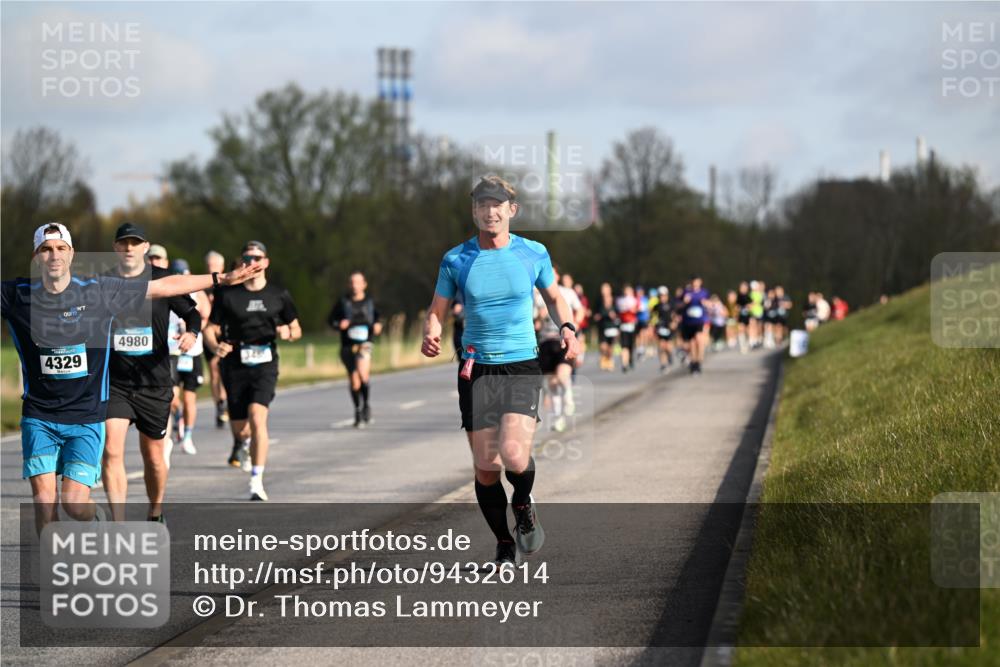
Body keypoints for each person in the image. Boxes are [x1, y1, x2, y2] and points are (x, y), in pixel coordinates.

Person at [1, 223, 262, 534]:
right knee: (44, 500)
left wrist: (220, 279)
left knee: (73, 503)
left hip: (85, 416)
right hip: (39, 415)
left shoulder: (97, 291)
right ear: (36, 256)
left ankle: (97, 517)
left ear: (71, 254)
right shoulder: (16, 295)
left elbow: (164, 286)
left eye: (60, 248)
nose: (53, 255)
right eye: (46, 249)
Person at [420, 176, 580, 566]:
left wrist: (569, 330)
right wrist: (431, 332)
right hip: (476, 368)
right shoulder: (456, 258)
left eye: (497, 204)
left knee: (513, 453)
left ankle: (523, 504)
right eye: (481, 204)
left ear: (512, 209)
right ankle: (504, 542)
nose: (489, 211)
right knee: (487, 468)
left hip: (521, 364)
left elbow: (556, 300)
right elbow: (437, 310)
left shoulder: (533, 253)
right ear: (474, 210)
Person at [102, 224, 202, 522]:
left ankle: (155, 510)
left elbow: (192, 312)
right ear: (116, 247)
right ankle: (117, 523)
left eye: (135, 243)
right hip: (116, 382)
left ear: (146, 247)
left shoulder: (162, 280)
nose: (129, 248)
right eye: (124, 243)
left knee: (155, 459)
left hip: (154, 382)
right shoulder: (103, 281)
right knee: (111, 450)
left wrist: (192, 334)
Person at [204, 241, 301, 501]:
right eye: (248, 257)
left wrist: (287, 332)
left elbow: (296, 328)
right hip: (234, 363)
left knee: (258, 417)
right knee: (241, 429)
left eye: (258, 257)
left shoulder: (279, 294)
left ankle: (256, 480)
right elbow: (210, 329)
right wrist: (216, 346)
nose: (253, 261)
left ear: (266, 262)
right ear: (242, 261)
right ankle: (243, 444)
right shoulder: (228, 295)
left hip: (265, 361)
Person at [166, 258, 211, 455]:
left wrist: (191, 330)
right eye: (177, 274)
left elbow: (206, 317)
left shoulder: (198, 293)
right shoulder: (165, 291)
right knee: (173, 398)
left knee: (190, 398)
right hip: (172, 350)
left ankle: (188, 437)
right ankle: (178, 418)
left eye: (184, 274)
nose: (181, 278)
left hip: (192, 352)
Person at [327, 271, 382, 428]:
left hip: (365, 343)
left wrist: (378, 325)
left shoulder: (370, 302)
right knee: (354, 381)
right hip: (347, 345)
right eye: (352, 282)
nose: (354, 285)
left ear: (364, 284)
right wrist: (339, 325)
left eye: (358, 282)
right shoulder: (343, 302)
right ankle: (357, 410)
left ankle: (366, 405)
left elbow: (378, 318)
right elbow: (331, 320)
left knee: (363, 374)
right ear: (348, 285)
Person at [535, 266, 583, 433]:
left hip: (562, 340)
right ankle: (558, 418)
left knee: (562, 376)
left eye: (552, 272)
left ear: (556, 275)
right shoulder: (537, 295)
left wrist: (575, 326)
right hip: (545, 342)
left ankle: (569, 395)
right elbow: (535, 320)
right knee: (552, 383)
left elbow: (580, 310)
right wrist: (539, 316)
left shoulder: (567, 293)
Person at [203, 250, 229, 428]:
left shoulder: (228, 286)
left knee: (225, 371)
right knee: (214, 369)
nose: (212, 269)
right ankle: (219, 405)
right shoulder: (202, 286)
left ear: (222, 267)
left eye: (215, 266)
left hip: (226, 333)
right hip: (209, 333)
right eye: (209, 266)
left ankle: (226, 401)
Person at [680, 276, 711, 374]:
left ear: (700, 282)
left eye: (697, 282)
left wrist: (706, 303)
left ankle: (699, 361)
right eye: (694, 282)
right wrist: (684, 302)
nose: (695, 284)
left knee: (699, 340)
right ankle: (694, 362)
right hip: (688, 321)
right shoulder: (686, 292)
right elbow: (679, 305)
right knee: (692, 343)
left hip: (699, 321)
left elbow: (710, 304)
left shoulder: (704, 293)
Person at [592, 282, 619, 372]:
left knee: (610, 347)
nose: (604, 291)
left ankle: (609, 361)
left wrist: (614, 316)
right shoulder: (599, 301)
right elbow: (595, 313)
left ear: (609, 290)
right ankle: (605, 359)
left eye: (606, 289)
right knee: (603, 346)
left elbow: (618, 313)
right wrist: (596, 316)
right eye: (602, 289)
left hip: (612, 326)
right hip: (602, 326)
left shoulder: (614, 300)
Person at [615, 284, 639, 373]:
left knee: (631, 346)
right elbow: (619, 311)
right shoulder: (620, 300)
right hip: (624, 326)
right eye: (626, 291)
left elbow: (636, 310)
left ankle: (630, 359)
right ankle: (624, 364)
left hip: (632, 326)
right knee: (624, 346)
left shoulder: (635, 300)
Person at [654, 285, 676, 372]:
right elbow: (653, 317)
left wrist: (674, 323)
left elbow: (675, 315)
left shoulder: (671, 304)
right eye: (660, 296)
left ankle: (670, 355)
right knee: (661, 346)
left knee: (668, 347)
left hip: (669, 328)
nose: (662, 297)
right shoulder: (656, 306)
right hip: (661, 328)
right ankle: (663, 364)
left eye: (663, 295)